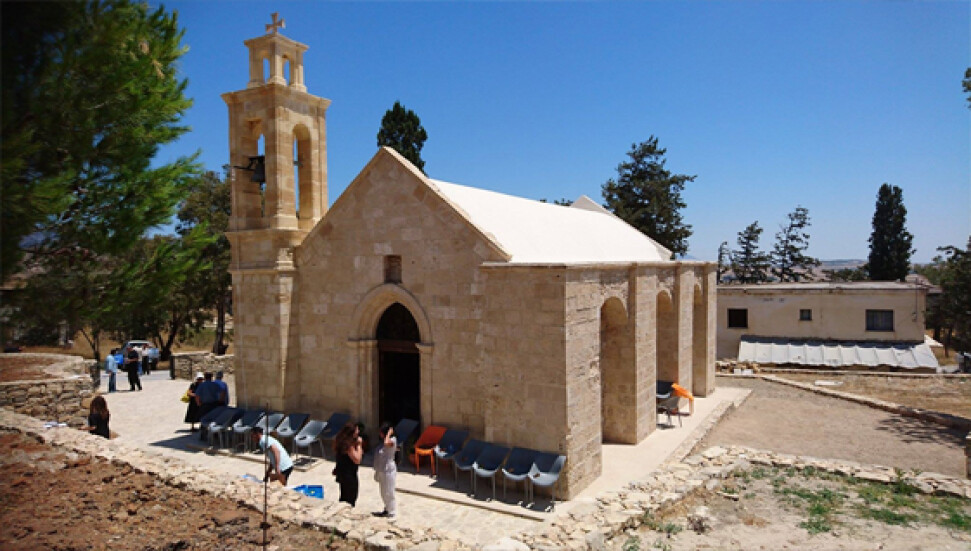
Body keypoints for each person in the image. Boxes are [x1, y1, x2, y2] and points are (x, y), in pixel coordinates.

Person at [333, 422, 363, 506]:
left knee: (344, 495)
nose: (358, 432)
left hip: (342, 473)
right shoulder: (349, 445)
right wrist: (359, 445)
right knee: (350, 498)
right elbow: (357, 459)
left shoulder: (341, 440)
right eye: (356, 430)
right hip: (349, 475)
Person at [372, 422, 397, 518]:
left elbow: (387, 443)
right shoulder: (381, 443)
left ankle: (392, 511)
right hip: (381, 470)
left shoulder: (392, 440)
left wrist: (389, 434)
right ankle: (387, 508)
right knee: (383, 491)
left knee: (389, 491)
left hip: (389, 470)